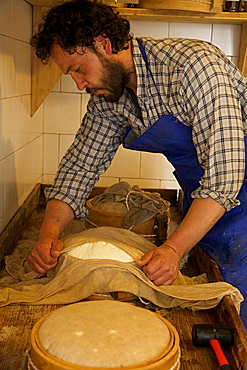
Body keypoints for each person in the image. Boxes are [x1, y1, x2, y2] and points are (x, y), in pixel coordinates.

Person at [28, 0, 247, 328]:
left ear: (103, 45)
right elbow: (79, 168)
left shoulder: (192, 67)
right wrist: (48, 235)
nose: (78, 83)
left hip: (234, 187)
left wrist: (173, 250)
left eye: (77, 69)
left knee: (238, 304)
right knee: (217, 295)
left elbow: (226, 173)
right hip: (204, 201)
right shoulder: (111, 98)